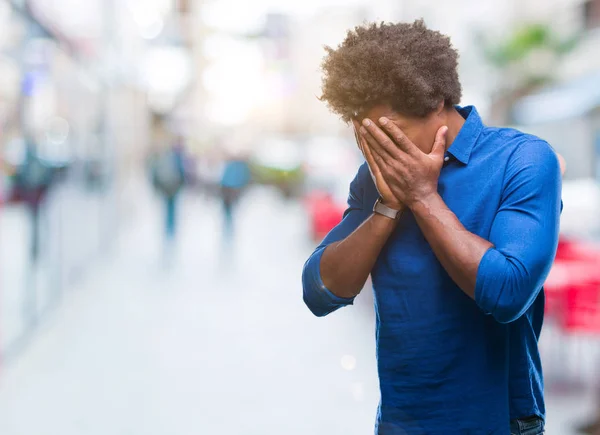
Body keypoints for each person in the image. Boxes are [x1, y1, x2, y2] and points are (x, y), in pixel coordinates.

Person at [302, 20, 564, 434]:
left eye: (391, 134)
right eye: (369, 139)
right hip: (400, 423)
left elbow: (509, 291)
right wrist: (387, 207)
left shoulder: (524, 160)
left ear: (436, 102)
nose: (381, 152)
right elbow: (320, 292)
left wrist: (423, 198)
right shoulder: (374, 181)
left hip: (499, 422)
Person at [151, 137, 186, 244]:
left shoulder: (164, 157)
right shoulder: (176, 157)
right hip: (173, 187)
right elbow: (182, 173)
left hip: (166, 187)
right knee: (172, 207)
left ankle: (168, 228)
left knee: (168, 207)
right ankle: (171, 229)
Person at [219, 155, 251, 238]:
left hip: (229, 189)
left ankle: (228, 219)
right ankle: (228, 219)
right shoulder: (240, 167)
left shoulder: (237, 166)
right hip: (230, 190)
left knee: (229, 208)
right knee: (229, 208)